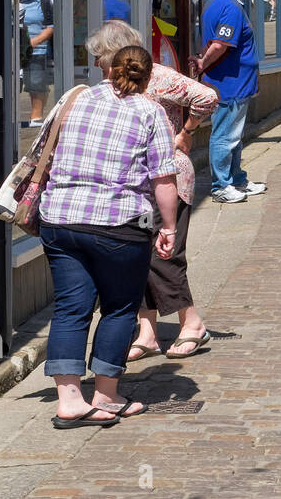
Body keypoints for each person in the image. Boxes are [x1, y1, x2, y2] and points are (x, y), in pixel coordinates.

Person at [38, 46, 178, 426]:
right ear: (148, 78)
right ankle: (106, 395)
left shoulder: (75, 99)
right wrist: (168, 225)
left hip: (61, 219)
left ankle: (69, 401)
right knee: (118, 306)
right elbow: (163, 177)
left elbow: (42, 148)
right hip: (118, 225)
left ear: (107, 70)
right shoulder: (150, 112)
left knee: (70, 306)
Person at [87, 22, 218, 362]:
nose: (98, 64)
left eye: (101, 57)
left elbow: (207, 96)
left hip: (169, 179)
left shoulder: (157, 76)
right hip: (137, 184)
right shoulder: (114, 82)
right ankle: (147, 332)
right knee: (139, 255)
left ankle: (192, 323)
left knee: (164, 256)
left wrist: (186, 131)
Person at [192, 0, 266, 204]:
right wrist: (203, 62)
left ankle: (236, 179)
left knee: (233, 134)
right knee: (225, 135)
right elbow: (220, 44)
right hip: (230, 83)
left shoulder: (215, 1)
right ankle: (221, 185)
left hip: (234, 82)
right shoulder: (231, 8)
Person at [16, 0, 55, 123]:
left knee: (36, 85)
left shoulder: (43, 1)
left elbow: (51, 26)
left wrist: (33, 42)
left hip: (36, 50)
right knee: (13, 85)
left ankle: (36, 118)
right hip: (11, 50)